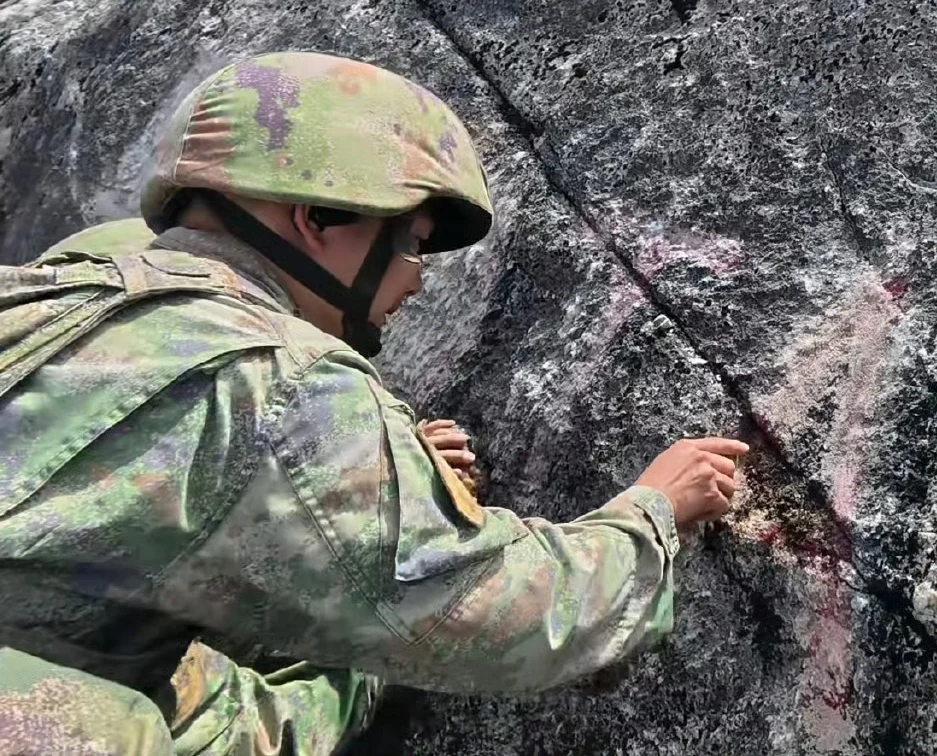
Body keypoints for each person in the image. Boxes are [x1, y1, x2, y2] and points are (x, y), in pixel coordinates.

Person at [0, 51, 748, 755]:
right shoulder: (276, 379)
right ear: (319, 218)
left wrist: (374, 479)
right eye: (413, 242)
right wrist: (652, 512)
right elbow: (494, 616)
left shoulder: (43, 296)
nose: (417, 280)